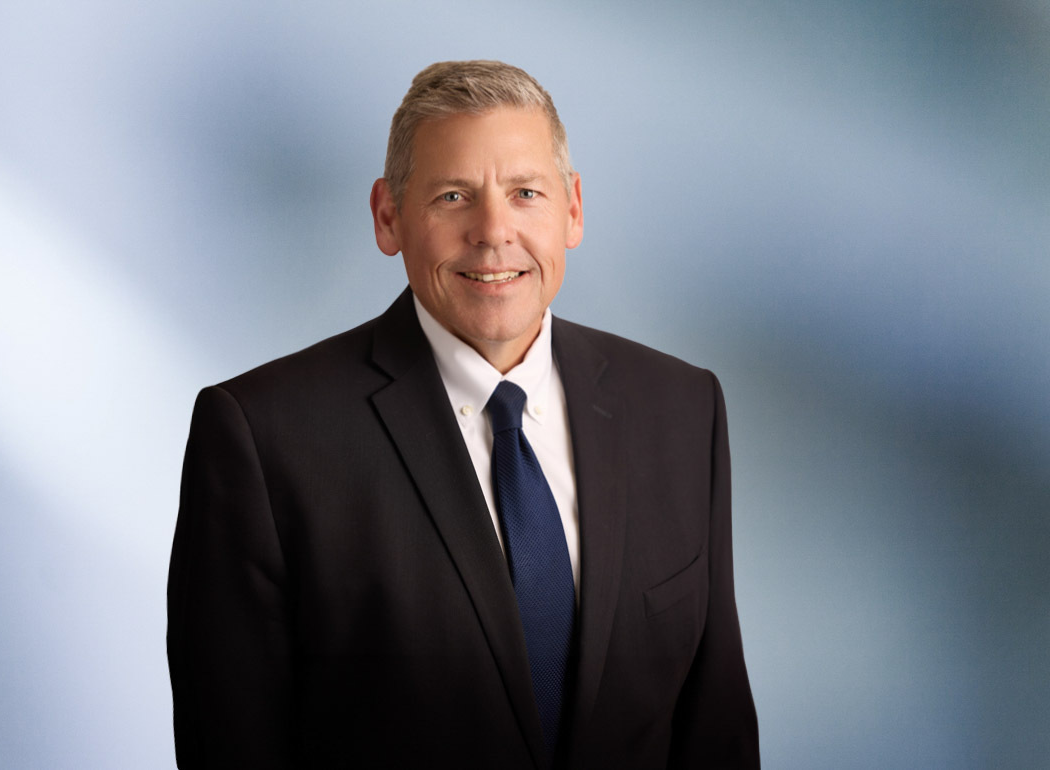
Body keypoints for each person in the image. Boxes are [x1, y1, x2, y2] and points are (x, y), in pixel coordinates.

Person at [167, 60, 759, 769]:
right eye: (453, 196)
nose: (493, 232)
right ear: (388, 216)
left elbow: (716, 730)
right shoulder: (264, 440)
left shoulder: (682, 410)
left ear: (572, 210)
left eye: (525, 193)